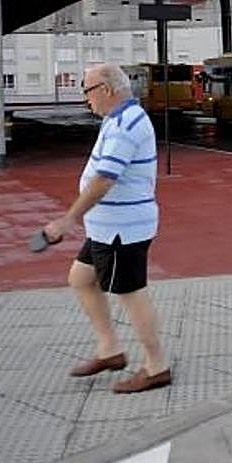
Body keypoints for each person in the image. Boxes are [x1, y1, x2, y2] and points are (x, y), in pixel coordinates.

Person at [43, 63, 171, 393]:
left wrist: (68, 219)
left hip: (121, 230)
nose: (86, 100)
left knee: (131, 293)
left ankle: (156, 366)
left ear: (107, 89)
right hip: (107, 227)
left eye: (87, 91)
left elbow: (104, 180)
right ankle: (109, 350)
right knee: (81, 278)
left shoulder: (126, 123)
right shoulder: (116, 118)